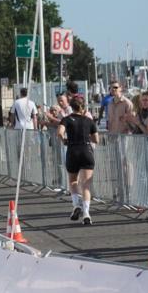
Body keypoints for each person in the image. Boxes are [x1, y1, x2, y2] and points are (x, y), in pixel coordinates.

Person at [57, 96, 99, 226]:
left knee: (73, 181)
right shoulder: (89, 120)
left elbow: (59, 132)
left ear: (71, 106)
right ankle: (86, 213)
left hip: (72, 150)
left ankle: (76, 205)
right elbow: (96, 139)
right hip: (86, 150)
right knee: (86, 185)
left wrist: (64, 140)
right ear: (83, 106)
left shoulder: (66, 119)